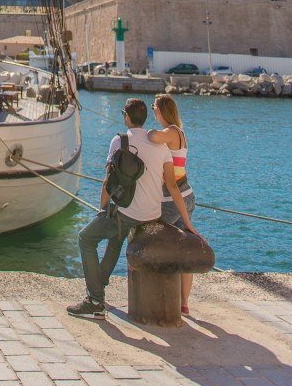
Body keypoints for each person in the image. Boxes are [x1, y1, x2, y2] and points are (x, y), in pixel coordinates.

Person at [67, 97, 197, 320]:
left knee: (85, 238)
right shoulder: (161, 146)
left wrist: (103, 209)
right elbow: (173, 186)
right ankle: (98, 290)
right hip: (153, 214)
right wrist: (188, 224)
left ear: (126, 117)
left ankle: (95, 301)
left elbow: (108, 181)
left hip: (128, 213)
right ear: (146, 117)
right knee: (115, 238)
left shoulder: (119, 141)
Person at [148, 94, 196, 314]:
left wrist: (145, 132)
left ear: (161, 111)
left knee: (150, 240)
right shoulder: (180, 132)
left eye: (154, 108)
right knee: (183, 248)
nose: (153, 112)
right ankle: (184, 302)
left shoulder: (171, 132)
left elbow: (154, 137)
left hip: (170, 199)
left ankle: (157, 297)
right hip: (186, 195)